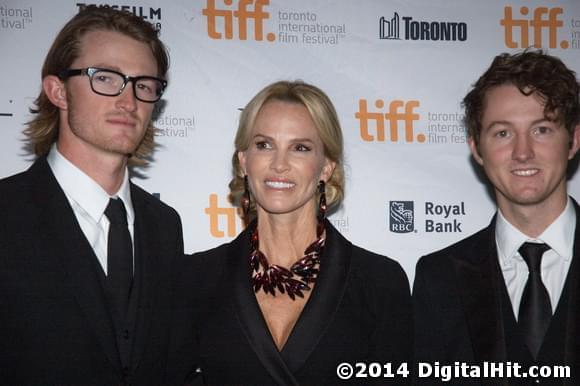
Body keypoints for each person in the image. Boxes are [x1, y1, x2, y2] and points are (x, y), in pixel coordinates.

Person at [175, 80, 412, 385]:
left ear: (326, 167)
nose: (279, 164)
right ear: (244, 161)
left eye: (300, 148)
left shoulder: (380, 282)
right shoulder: (197, 278)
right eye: (264, 145)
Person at [0, 6, 185, 385]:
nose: (128, 100)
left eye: (144, 85)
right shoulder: (6, 213)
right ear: (58, 91)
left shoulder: (165, 226)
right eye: (105, 77)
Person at [413, 50, 580, 386]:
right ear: (476, 148)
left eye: (542, 130)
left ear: (573, 140)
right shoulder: (439, 279)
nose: (523, 152)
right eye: (503, 133)